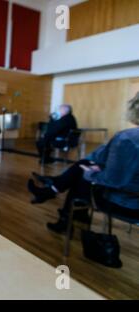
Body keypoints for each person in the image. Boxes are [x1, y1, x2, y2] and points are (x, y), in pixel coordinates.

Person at [28, 93, 139, 234]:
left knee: (82, 175)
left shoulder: (127, 139)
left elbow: (114, 180)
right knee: (85, 167)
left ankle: (60, 207)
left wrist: (91, 173)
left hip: (129, 204)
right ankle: (66, 203)